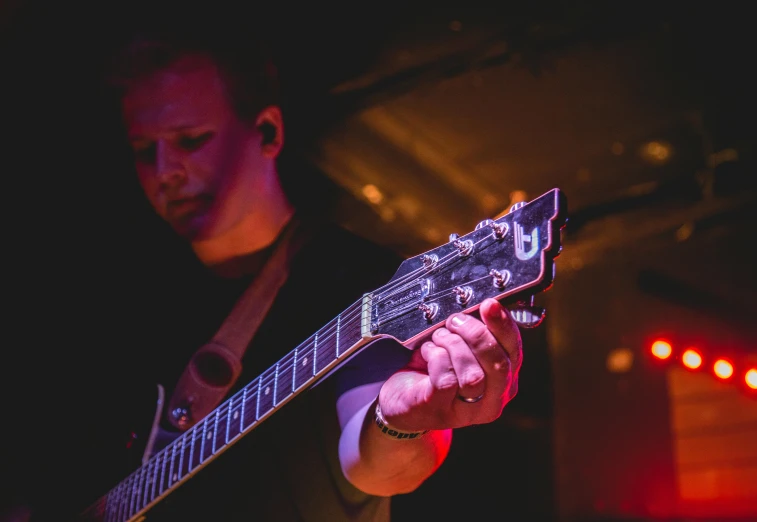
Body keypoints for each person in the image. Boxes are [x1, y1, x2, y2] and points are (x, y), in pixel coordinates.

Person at [2, 17, 526, 522]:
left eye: (190, 139)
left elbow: (374, 465)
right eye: (144, 149)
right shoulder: (117, 291)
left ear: (268, 131)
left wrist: (400, 423)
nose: (166, 172)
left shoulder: (357, 279)